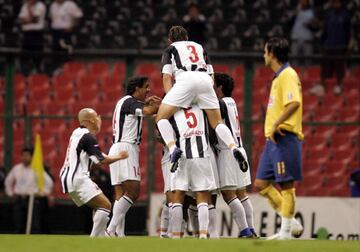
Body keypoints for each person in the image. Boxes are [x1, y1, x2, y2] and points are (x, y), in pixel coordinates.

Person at [155, 25, 248, 176]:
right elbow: (211, 76)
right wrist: (203, 96)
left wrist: (172, 99)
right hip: (205, 80)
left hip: (184, 79)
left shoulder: (170, 49)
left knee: (161, 117)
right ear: (186, 38)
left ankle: (173, 149)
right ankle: (233, 147)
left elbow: (166, 77)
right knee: (217, 122)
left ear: (170, 40)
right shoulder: (200, 47)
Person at [254, 37, 304, 240]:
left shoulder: (288, 75)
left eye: (265, 51)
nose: (264, 55)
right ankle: (290, 222)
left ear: (272, 53)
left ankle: (285, 233)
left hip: (285, 136)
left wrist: (276, 124)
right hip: (272, 140)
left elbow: (294, 103)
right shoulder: (279, 76)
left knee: (286, 184)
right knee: (261, 183)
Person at [59, 108, 129, 237]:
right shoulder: (88, 137)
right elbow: (100, 160)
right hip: (78, 178)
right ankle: (94, 240)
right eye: (97, 117)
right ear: (91, 120)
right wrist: (120, 156)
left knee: (98, 206)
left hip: (66, 178)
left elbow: (95, 154)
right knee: (106, 205)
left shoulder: (76, 133)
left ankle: (101, 236)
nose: (99, 119)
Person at [106, 76, 161, 237]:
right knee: (133, 192)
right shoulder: (129, 102)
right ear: (136, 89)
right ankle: (110, 229)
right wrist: (164, 104)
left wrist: (147, 103)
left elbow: (142, 108)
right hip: (126, 148)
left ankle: (118, 233)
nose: (149, 90)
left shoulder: (125, 102)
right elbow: (148, 111)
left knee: (120, 194)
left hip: (116, 147)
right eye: (146, 87)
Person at [213, 73, 256, 238]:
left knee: (228, 194)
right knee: (242, 193)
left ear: (220, 88)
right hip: (240, 148)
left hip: (228, 151)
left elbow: (215, 124)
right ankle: (251, 229)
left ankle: (245, 230)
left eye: (214, 85)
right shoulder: (232, 102)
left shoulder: (221, 104)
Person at [168, 105, 217, 239]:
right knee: (202, 196)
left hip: (181, 156)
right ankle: (202, 234)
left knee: (178, 196)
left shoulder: (173, 109)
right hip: (201, 155)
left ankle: (176, 235)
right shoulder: (201, 106)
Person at [5, 147, 54, 234]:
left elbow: (49, 183)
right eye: (23, 156)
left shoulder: (37, 169)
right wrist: (11, 193)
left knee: (34, 224)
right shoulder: (17, 169)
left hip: (32, 200)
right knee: (18, 223)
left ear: (32, 157)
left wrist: (42, 193)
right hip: (19, 199)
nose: (24, 158)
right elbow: (8, 181)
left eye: (27, 156)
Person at [310, 0, 351, 95]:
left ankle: (339, 86)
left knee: (339, 68)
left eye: (338, 2)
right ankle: (321, 86)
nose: (336, 4)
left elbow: (348, 33)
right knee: (325, 67)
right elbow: (325, 31)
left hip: (340, 46)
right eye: (334, 2)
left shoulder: (346, 16)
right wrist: (323, 44)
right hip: (328, 45)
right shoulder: (329, 15)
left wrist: (346, 46)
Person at [49, 0, 83, 70]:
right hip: (55, 32)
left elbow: (78, 16)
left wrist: (72, 27)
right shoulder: (53, 5)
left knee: (67, 52)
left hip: (66, 31)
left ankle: (68, 70)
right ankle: (56, 70)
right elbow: (51, 17)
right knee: (56, 53)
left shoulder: (71, 4)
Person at [18, 0, 46, 74]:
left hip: (37, 34)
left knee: (37, 56)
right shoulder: (24, 6)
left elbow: (35, 19)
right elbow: (21, 20)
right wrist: (29, 20)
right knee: (25, 56)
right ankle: (24, 73)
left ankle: (38, 72)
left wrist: (29, 8)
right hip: (26, 34)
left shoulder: (41, 5)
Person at [290, 0, 315, 66]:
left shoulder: (312, 12)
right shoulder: (296, 10)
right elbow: (289, 24)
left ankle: (307, 75)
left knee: (308, 61)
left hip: (307, 39)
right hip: (296, 38)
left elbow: (316, 26)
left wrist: (310, 25)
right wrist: (294, 14)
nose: (302, 2)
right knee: (294, 61)